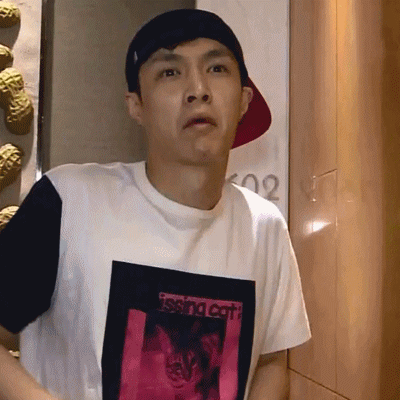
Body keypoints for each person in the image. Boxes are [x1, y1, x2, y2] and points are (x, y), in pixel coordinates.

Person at [0, 9, 310, 400]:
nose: (198, 89)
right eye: (170, 72)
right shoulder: (69, 201)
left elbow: (270, 359)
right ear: (136, 106)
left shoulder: (265, 227)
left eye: (217, 68)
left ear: (244, 99)